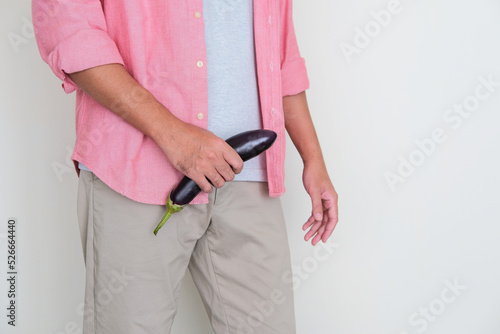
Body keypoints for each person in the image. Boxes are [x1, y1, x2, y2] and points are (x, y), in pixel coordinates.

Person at [33, 0, 339, 333]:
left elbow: (282, 55)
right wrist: (177, 138)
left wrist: (313, 158)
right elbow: (72, 32)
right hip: (135, 173)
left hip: (250, 178)